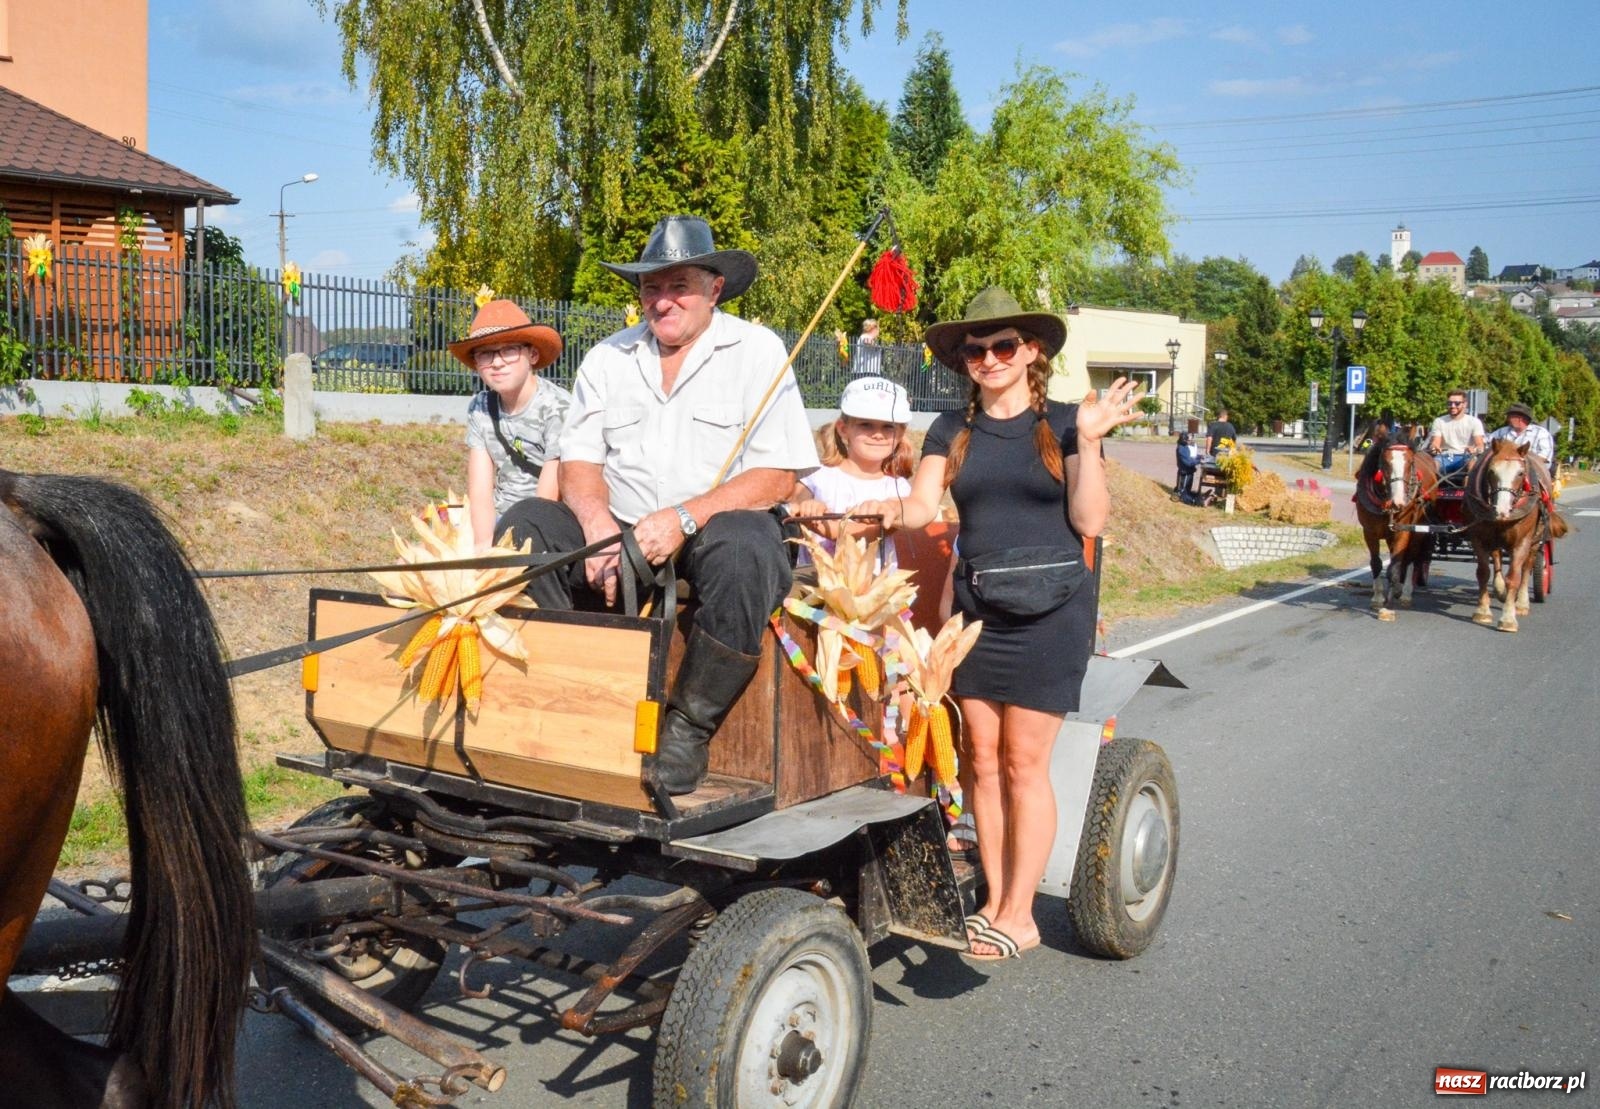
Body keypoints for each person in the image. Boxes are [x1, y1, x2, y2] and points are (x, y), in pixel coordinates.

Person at [858, 287, 1143, 961]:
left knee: (1023, 762)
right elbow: (922, 503)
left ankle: (1021, 914)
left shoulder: (1068, 423)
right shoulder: (950, 430)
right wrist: (878, 509)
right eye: (975, 350)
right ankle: (993, 901)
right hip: (979, 612)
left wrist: (1091, 443)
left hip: (1052, 615)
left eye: (1003, 346)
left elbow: (1090, 521)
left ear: (1032, 351)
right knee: (981, 763)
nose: (988, 359)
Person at [495, 216, 819, 796]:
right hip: (620, 521)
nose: (663, 301)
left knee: (746, 547)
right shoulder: (608, 357)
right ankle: (577, 698)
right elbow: (580, 462)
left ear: (714, 289)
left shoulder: (756, 351)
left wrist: (684, 517)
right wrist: (596, 525)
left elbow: (778, 474)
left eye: (679, 286)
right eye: (651, 287)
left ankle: (687, 728)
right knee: (525, 525)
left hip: (716, 526)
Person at [451, 300, 570, 551]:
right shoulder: (481, 408)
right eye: (485, 353)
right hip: (498, 518)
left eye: (509, 350)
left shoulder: (558, 408)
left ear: (532, 355)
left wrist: (507, 553)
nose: (497, 362)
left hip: (544, 527)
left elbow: (545, 501)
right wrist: (483, 549)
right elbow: (480, 491)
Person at [787, 375, 913, 570]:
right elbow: (793, 505)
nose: (878, 434)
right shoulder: (815, 476)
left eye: (888, 427)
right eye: (866, 424)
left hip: (872, 586)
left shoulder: (898, 488)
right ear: (843, 429)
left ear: (901, 434)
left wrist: (817, 524)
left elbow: (872, 533)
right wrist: (808, 507)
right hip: (815, 582)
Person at [1427, 388, 1485, 478]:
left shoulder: (1474, 422)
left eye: (1457, 403)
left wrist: (1474, 449)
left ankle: (1468, 486)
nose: (1452, 406)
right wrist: (1434, 447)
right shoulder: (1439, 421)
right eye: (1449, 403)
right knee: (1432, 466)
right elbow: (1435, 442)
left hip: (1466, 457)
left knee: (1473, 466)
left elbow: (1480, 445)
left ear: (1464, 404)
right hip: (1445, 457)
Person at [1488, 402, 1556, 469]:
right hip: (1505, 468)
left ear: (1520, 419)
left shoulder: (1541, 433)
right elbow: (1487, 441)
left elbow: (1545, 456)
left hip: (1533, 470)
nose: (1508, 419)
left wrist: (1522, 461)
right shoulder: (1502, 431)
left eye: (1510, 416)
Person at [1175, 431, 1203, 499]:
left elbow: (1191, 456)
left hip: (1189, 471)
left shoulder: (1185, 446)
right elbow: (1188, 462)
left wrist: (1199, 457)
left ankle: (1191, 496)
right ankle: (1190, 500)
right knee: (1183, 492)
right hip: (1185, 472)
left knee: (1188, 490)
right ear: (1184, 440)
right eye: (1189, 440)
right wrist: (1199, 461)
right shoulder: (1182, 449)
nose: (1190, 441)